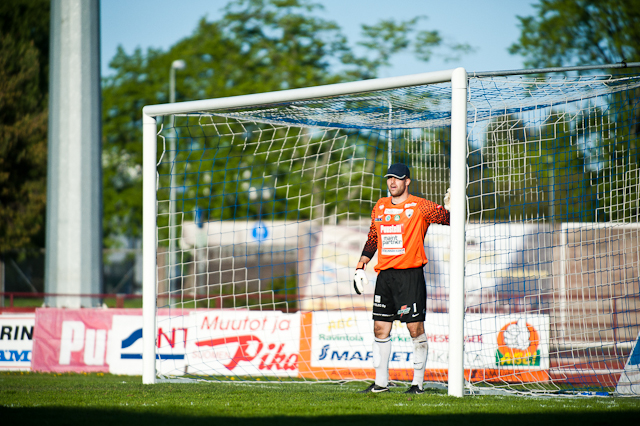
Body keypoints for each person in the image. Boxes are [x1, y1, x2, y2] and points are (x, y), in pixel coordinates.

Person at [353, 163, 450, 394]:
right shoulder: (380, 206)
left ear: (407, 181)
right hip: (385, 276)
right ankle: (381, 383)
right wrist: (360, 265)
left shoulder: (420, 206)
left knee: (415, 329)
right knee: (380, 329)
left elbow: (448, 220)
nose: (392, 182)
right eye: (389, 178)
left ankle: (417, 384)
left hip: (410, 275)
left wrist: (451, 209)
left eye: (397, 178)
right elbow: (373, 237)